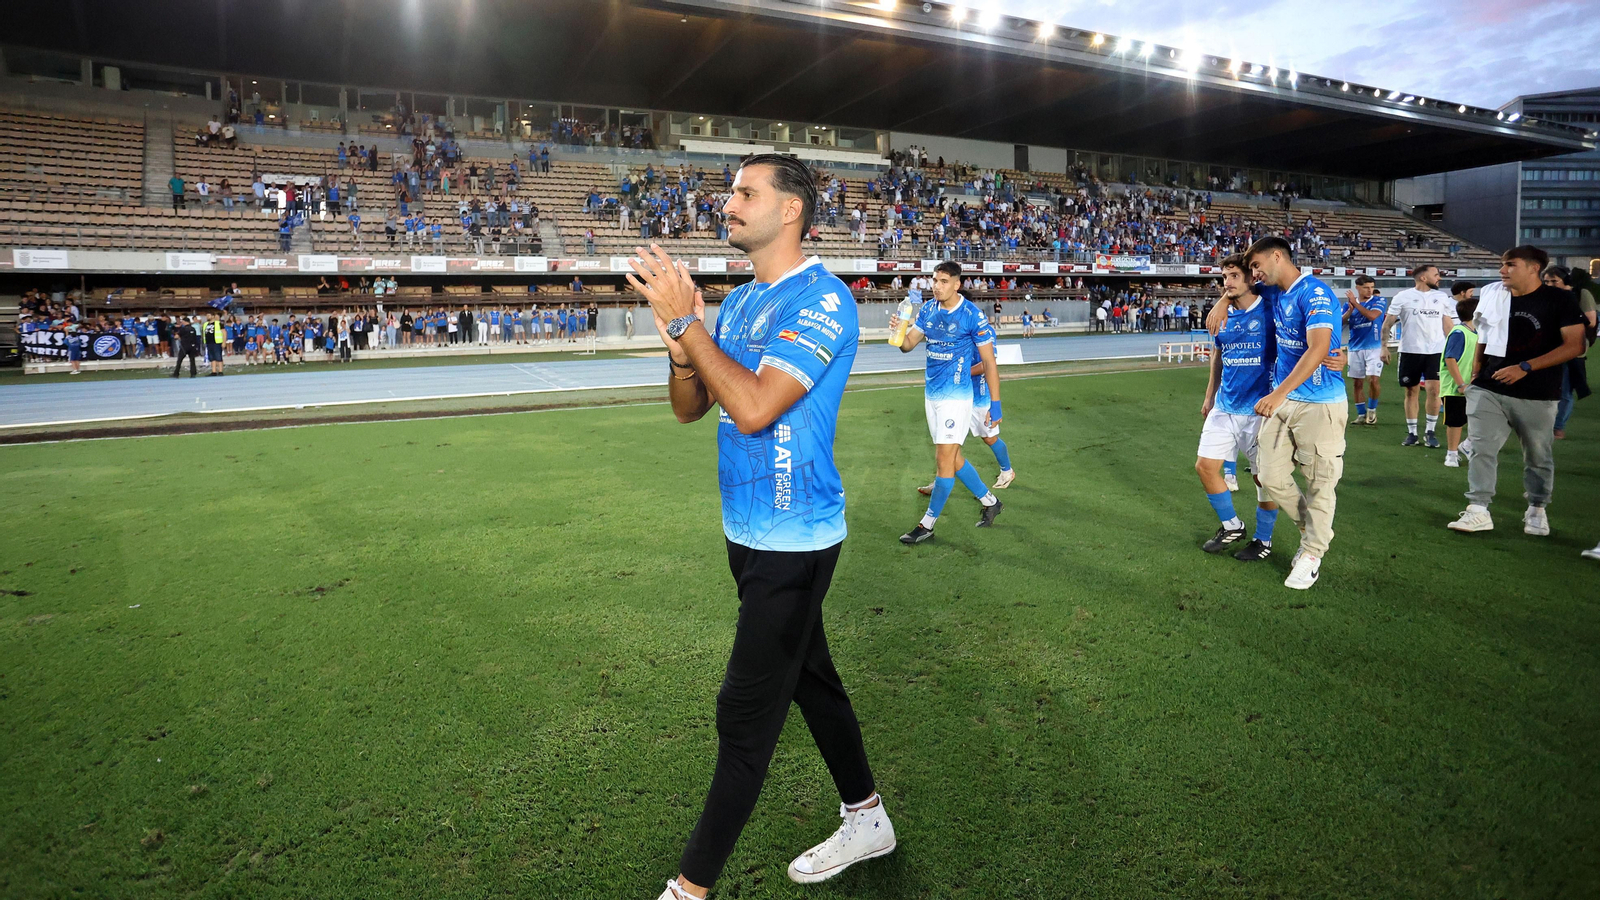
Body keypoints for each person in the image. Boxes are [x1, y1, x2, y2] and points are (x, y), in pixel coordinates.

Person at [625, 153, 892, 900]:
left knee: (744, 715)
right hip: (746, 534)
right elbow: (693, 407)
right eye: (730, 191)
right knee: (811, 679)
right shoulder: (742, 302)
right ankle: (868, 817)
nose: (729, 202)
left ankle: (688, 889)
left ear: (791, 210)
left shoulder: (824, 299)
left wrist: (688, 323)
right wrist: (681, 350)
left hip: (796, 541)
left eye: (746, 192)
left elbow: (752, 408)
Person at [1448, 246, 1586, 536]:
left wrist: (1525, 367)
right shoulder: (1494, 294)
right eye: (1502, 264)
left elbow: (1575, 345)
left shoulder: (1559, 299)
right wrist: (1476, 370)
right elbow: (1485, 333)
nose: (1502, 270)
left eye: (1510, 264)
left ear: (1534, 268)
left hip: (1537, 391)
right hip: (1489, 386)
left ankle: (1536, 508)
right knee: (1481, 448)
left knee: (1537, 456)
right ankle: (1478, 509)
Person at [1236, 236, 1346, 590]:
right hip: (1285, 402)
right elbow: (1237, 289)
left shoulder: (1314, 292)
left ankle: (1312, 554)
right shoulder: (1275, 292)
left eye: (1257, 265)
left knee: (1320, 482)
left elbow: (1318, 348)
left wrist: (1277, 393)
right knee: (1268, 476)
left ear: (1277, 257)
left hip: (1320, 403)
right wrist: (1223, 302)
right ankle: (1311, 530)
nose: (1254, 273)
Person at [890, 260, 1004, 544]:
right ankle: (991, 502)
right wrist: (898, 331)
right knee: (953, 458)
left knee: (943, 461)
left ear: (957, 284)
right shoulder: (928, 310)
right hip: (932, 396)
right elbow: (907, 346)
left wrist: (995, 403)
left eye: (943, 282)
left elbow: (989, 362)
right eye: (934, 280)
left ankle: (927, 525)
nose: (937, 286)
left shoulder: (972, 316)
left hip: (957, 398)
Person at [1195, 254, 1281, 560]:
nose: (1227, 283)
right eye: (1224, 277)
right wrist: (1209, 396)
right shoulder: (1221, 316)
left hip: (1260, 411)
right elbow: (1217, 356)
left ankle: (1263, 540)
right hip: (1224, 405)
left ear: (1250, 278)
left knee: (1263, 479)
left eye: (1233, 276)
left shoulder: (1270, 311)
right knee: (1205, 467)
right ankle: (1232, 525)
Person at [1382, 264, 1455, 448]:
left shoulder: (1441, 297)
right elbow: (1387, 323)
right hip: (1410, 351)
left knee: (1435, 390)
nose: (1439, 278)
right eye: (1436, 274)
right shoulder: (1403, 296)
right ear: (1423, 277)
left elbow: (1448, 325)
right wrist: (1383, 347)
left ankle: (1430, 432)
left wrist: (1453, 349)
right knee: (1411, 391)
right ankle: (1412, 433)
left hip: (1436, 351)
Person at [1546, 266, 1596, 438]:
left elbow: (1591, 321)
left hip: (1571, 348)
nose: (1550, 285)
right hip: (1547, 348)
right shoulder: (1545, 296)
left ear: (1566, 281)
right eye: (1546, 281)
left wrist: (1567, 305)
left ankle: (1558, 427)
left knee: (1565, 390)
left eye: (1554, 281)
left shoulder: (1581, 294)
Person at [1440, 287, 1479, 468]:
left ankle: (1467, 445)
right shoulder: (1459, 333)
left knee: (1480, 418)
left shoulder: (1475, 333)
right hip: (1455, 387)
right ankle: (1451, 454)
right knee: (1455, 422)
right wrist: (1461, 384)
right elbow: (1450, 359)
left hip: (1472, 385)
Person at [1343, 275, 1386, 425]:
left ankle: (1372, 411)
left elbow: (1372, 316)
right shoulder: (1348, 304)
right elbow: (1340, 322)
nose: (1369, 290)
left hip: (1374, 347)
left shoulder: (1379, 301)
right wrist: (1349, 311)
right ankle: (1361, 414)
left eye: (1371, 287)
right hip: (1355, 347)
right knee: (1357, 383)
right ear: (1357, 288)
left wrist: (1355, 303)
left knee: (1373, 380)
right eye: (1366, 287)